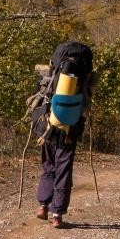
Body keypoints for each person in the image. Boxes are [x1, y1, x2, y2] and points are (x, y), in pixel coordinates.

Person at [30, 41, 93, 229]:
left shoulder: (51, 75)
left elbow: (38, 96)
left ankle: (43, 206)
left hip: (48, 126)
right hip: (70, 129)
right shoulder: (84, 77)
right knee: (63, 168)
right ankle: (57, 214)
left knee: (48, 165)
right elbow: (87, 103)